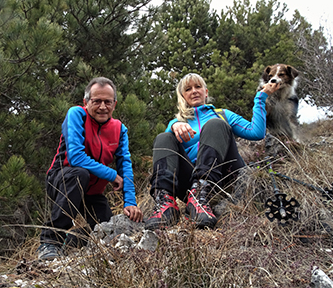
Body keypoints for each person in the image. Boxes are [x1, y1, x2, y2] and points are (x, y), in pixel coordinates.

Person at [145, 73, 280, 230]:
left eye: (198, 87)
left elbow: (256, 133)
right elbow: (166, 150)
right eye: (188, 89)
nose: (194, 91)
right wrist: (174, 124)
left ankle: (201, 195)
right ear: (183, 96)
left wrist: (260, 98)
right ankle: (165, 204)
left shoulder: (222, 114)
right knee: (163, 138)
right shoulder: (178, 123)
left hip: (224, 178)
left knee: (215, 124)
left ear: (206, 92)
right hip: (189, 183)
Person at [38, 77, 143, 260]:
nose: (103, 106)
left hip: (92, 192)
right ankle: (50, 242)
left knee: (107, 229)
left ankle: (72, 241)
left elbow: (125, 165)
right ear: (86, 102)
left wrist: (130, 201)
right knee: (80, 174)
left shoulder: (119, 129)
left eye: (107, 102)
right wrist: (111, 175)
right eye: (97, 101)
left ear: (114, 104)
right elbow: (76, 157)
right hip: (63, 179)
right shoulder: (76, 114)